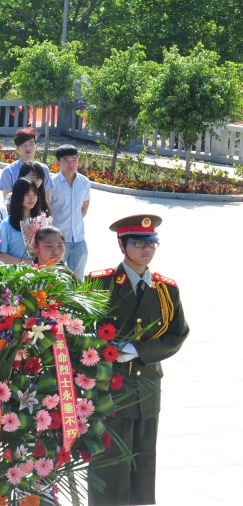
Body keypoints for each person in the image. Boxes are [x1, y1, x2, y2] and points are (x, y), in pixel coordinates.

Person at [87, 214, 189, 506]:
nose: (147, 249)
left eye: (152, 243)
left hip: (146, 385)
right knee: (108, 458)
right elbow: (81, 328)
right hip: (111, 385)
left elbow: (178, 333)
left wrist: (140, 350)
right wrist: (105, 348)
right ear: (122, 245)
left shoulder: (166, 288)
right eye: (139, 243)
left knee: (143, 458)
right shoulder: (100, 283)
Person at [49, 144, 92, 277]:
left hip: (79, 239)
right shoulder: (52, 183)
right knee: (55, 277)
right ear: (58, 162)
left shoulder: (84, 182)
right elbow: (47, 209)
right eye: (66, 160)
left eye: (74, 160)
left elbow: (84, 210)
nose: (71, 164)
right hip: (58, 240)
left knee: (77, 278)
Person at [0, 178, 48, 265]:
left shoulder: (41, 220)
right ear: (18, 196)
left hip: (39, 269)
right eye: (27, 194)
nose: (32, 198)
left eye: (34, 194)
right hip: (15, 271)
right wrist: (25, 262)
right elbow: (0, 254)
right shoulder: (7, 224)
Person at [0, 127, 52, 194]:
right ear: (17, 147)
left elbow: (46, 196)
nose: (28, 148)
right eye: (24, 145)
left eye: (31, 144)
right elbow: (7, 198)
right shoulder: (9, 171)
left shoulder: (44, 169)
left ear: (36, 146)